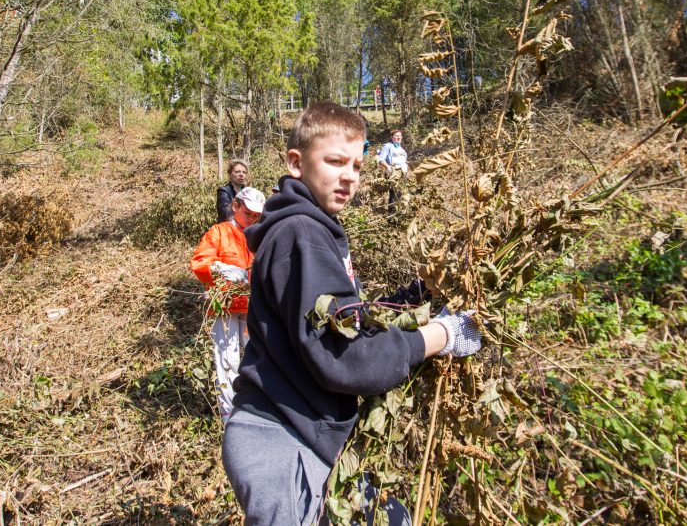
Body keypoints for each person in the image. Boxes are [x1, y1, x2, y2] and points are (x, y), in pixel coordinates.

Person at [221, 102, 481, 525]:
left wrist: (422, 292)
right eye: (335, 161)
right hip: (282, 441)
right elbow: (345, 357)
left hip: (308, 436)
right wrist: (440, 336)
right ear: (296, 163)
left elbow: (350, 321)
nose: (349, 176)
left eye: (357, 166)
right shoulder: (300, 236)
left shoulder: (312, 230)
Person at [190, 186, 266, 424]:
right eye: (249, 213)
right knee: (227, 359)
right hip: (224, 307)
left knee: (257, 355)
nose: (252, 218)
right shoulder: (219, 232)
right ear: (236, 206)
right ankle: (228, 414)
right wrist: (222, 269)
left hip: (251, 306)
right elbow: (200, 261)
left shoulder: (258, 236)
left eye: (257, 215)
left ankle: (257, 407)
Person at [376, 130, 408, 212]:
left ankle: (399, 213)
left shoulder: (401, 148)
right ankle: (391, 215)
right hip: (393, 173)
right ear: (391, 137)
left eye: (400, 136)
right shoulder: (388, 146)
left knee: (402, 194)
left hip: (403, 173)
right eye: (396, 136)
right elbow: (381, 160)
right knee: (394, 194)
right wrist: (388, 167)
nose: (398, 138)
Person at [216, 159, 250, 223]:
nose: (241, 174)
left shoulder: (247, 192)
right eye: (237, 172)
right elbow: (227, 216)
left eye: (244, 172)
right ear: (230, 174)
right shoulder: (224, 191)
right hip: (228, 230)